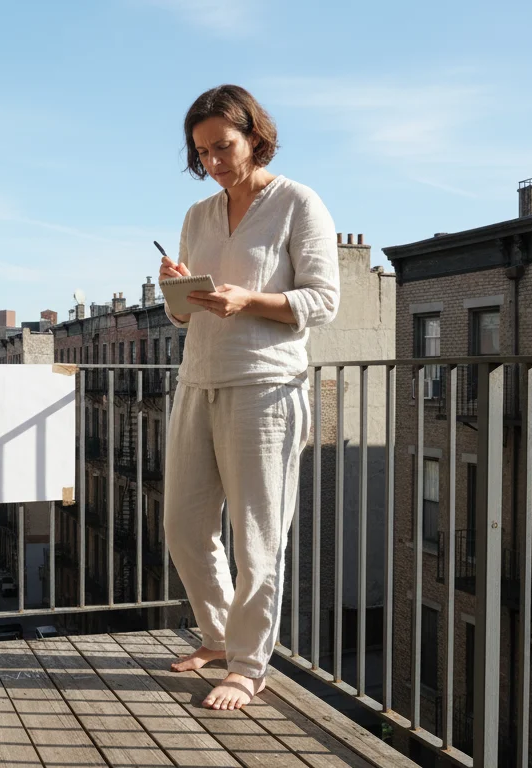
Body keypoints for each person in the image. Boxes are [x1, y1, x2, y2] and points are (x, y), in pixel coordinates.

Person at [160, 84, 340, 710]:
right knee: (183, 525)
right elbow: (185, 318)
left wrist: (248, 299)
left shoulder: (297, 203)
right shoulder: (198, 216)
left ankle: (248, 665)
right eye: (202, 151)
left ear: (254, 136)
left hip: (265, 384)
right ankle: (216, 635)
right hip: (197, 380)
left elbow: (322, 300)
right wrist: (178, 292)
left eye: (223, 146)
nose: (213, 161)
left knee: (257, 537)